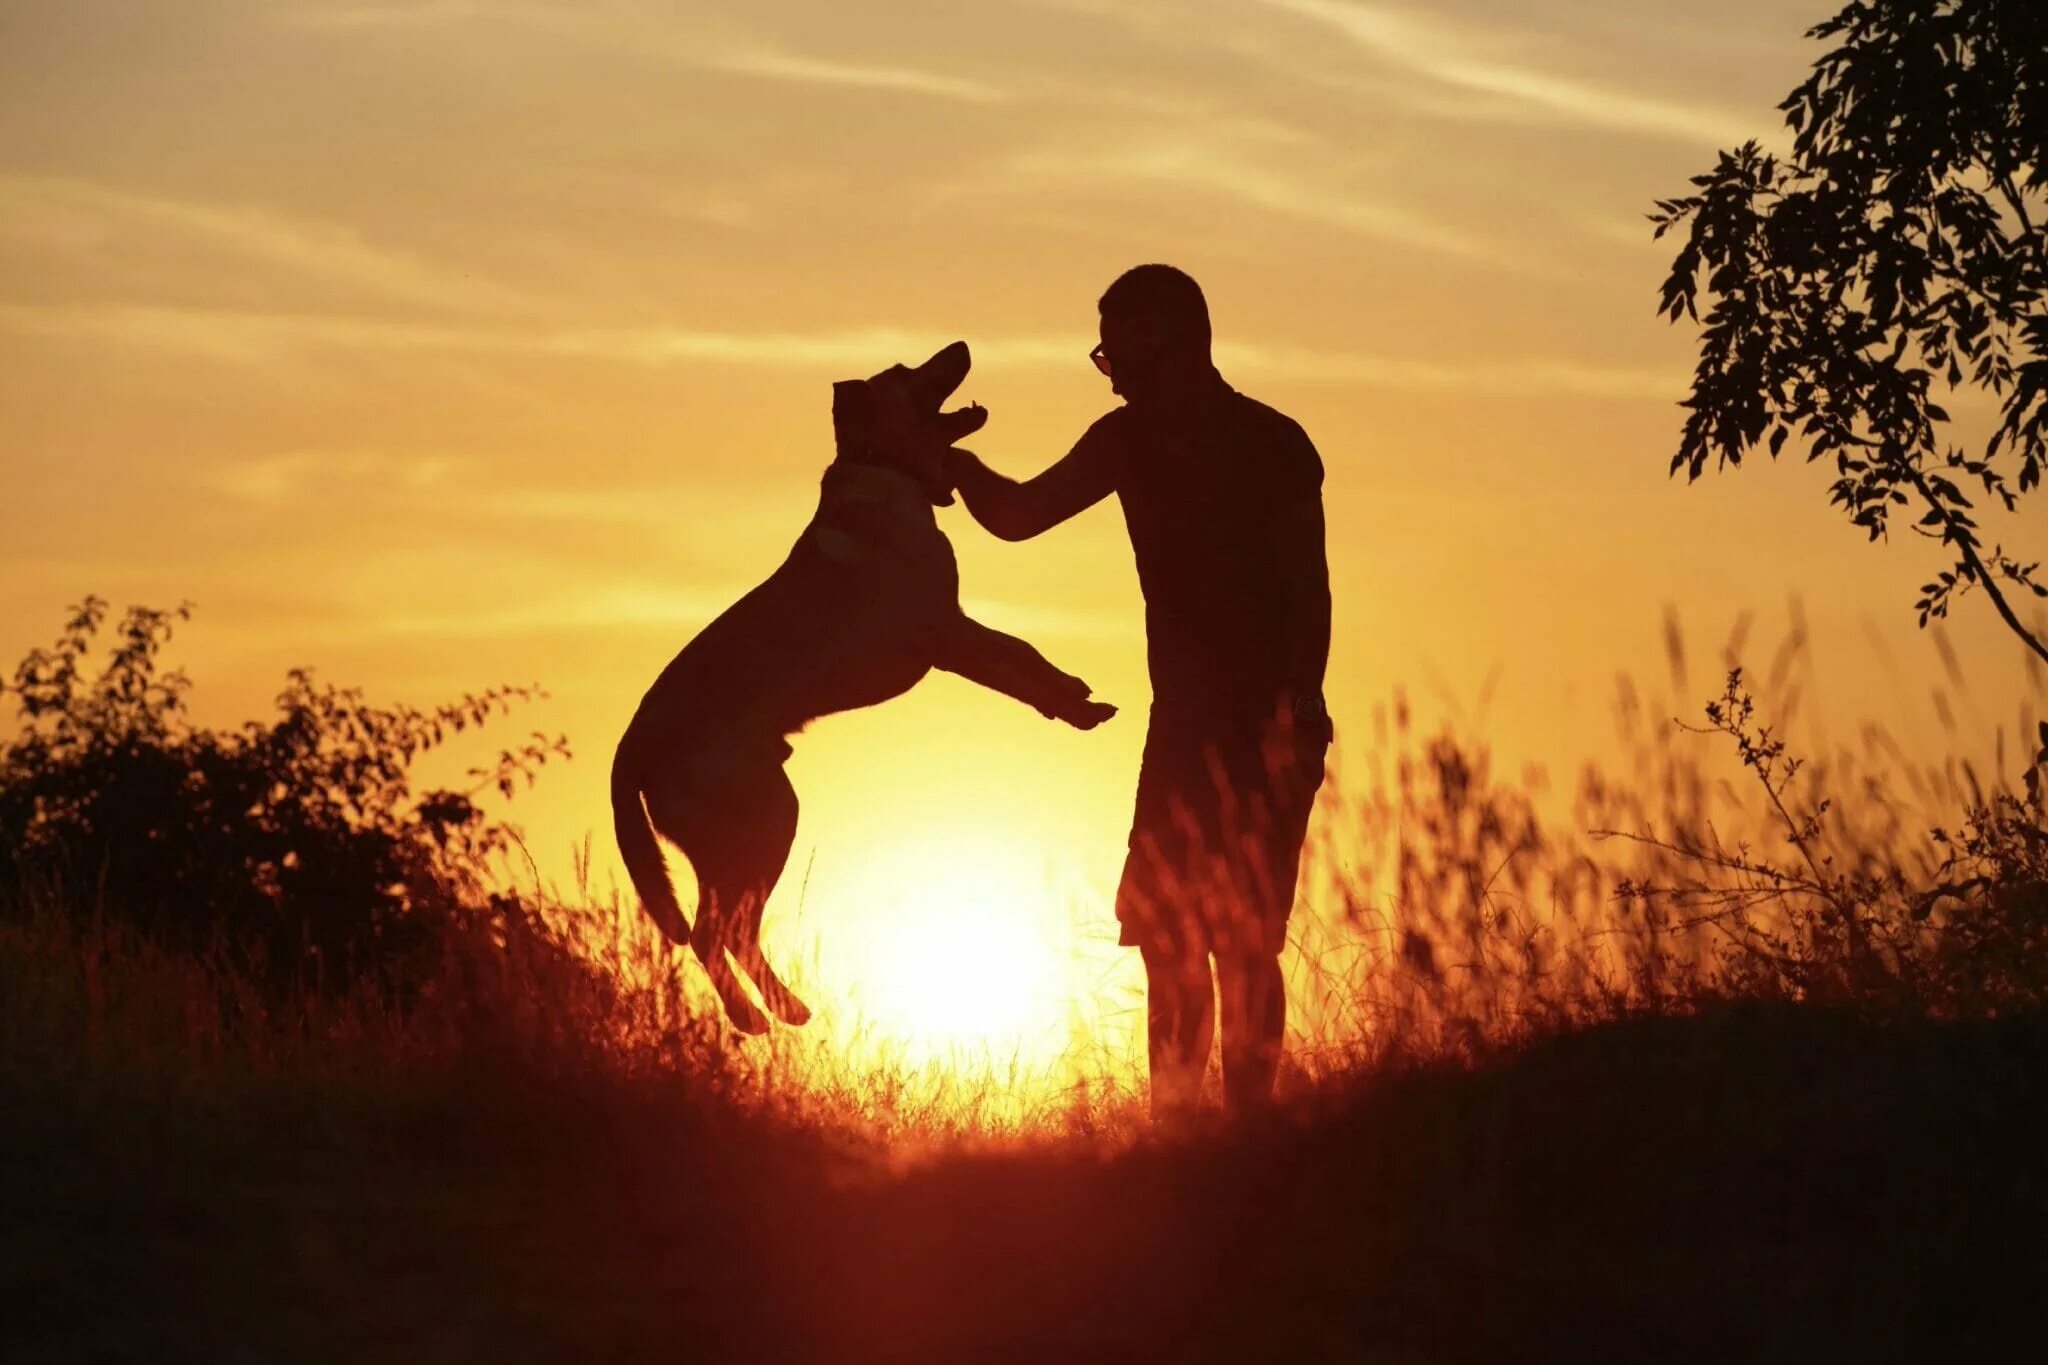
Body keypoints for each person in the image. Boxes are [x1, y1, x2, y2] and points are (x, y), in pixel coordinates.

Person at [948, 264, 1332, 1115]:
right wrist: (951, 463)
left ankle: (1246, 1132)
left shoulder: (1272, 443)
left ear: (1169, 347)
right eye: (1106, 356)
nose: (1111, 371)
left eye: (1119, 353)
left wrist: (1300, 710)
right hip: (1184, 727)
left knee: (1243, 945)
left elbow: (1310, 591)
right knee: (1168, 939)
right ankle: (1180, 1128)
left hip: (1267, 729)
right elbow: (1016, 514)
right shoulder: (1129, 440)